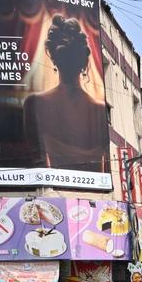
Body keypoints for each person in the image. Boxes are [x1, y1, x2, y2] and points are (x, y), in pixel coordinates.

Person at [23, 15, 108, 173]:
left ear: (54, 59)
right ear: (84, 61)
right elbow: (107, 168)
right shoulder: (100, 110)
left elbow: (37, 165)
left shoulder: (35, 103)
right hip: (95, 188)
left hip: (55, 188)